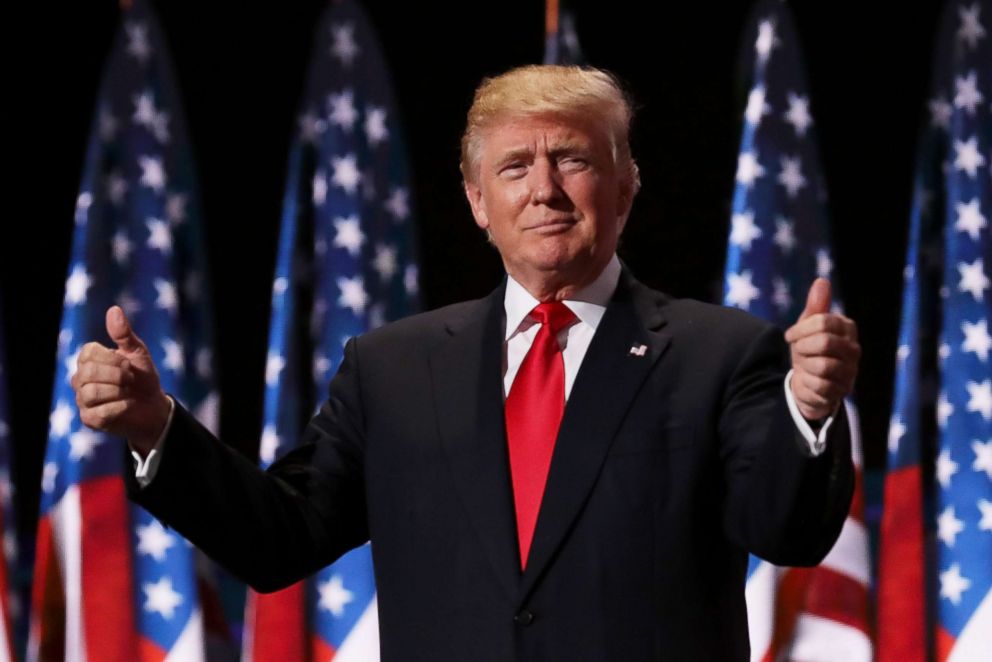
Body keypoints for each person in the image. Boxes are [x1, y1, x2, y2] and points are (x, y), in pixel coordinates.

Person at [71, 65, 859, 661]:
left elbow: (785, 531)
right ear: (479, 201)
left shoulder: (719, 353)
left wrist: (810, 412)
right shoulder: (392, 369)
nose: (544, 189)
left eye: (573, 160)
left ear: (625, 188)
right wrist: (155, 430)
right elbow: (280, 541)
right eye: (516, 167)